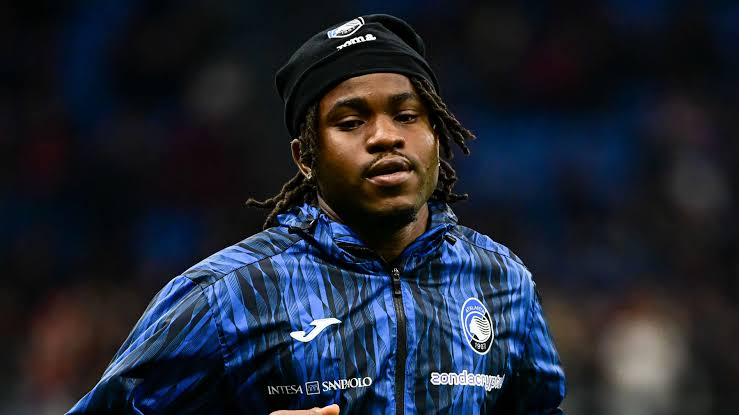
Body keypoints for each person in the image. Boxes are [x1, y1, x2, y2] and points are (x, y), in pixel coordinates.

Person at [67, 14, 566, 414]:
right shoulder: (228, 295)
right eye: (350, 122)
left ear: (436, 135)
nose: (385, 136)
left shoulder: (503, 282)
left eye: (407, 116)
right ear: (305, 157)